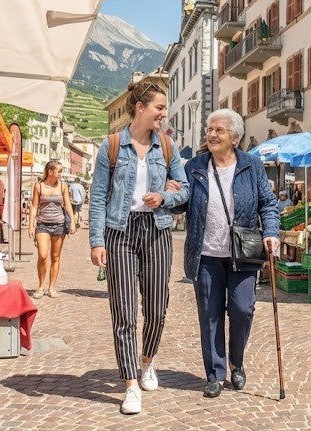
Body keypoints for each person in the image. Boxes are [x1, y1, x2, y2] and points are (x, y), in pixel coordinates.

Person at [88, 81, 189, 416]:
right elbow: (98, 197)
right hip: (121, 231)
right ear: (140, 108)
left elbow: (184, 189)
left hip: (157, 229)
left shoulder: (168, 146)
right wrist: (96, 240)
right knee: (124, 312)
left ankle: (147, 361)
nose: (164, 113)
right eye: (159, 107)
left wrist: (165, 196)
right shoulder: (112, 145)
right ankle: (130, 383)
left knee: (157, 309)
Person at [174, 109, 279, 399]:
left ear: (235, 136)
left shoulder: (251, 166)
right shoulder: (194, 166)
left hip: (242, 254)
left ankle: (237, 362)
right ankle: (216, 374)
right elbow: (180, 204)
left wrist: (271, 232)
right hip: (205, 254)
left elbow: (268, 204)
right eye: (209, 129)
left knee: (242, 310)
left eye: (218, 130)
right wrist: (170, 195)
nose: (211, 134)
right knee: (209, 315)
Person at [29, 160, 77, 299]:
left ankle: (51, 287)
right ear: (50, 171)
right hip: (43, 224)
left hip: (59, 224)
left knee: (55, 257)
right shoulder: (39, 186)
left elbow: (68, 204)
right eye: (59, 171)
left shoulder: (63, 186)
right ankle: (41, 286)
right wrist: (31, 225)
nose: (61, 174)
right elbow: (34, 206)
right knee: (42, 256)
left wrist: (72, 222)